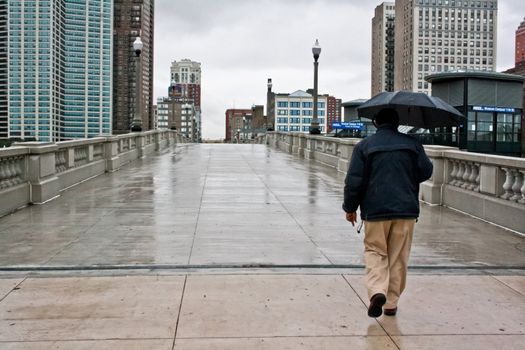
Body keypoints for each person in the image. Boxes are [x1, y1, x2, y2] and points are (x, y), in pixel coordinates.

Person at [342, 108, 433, 318]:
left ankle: (377, 291)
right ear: (397, 122)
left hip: (375, 210)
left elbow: (354, 182)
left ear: (376, 123)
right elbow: (425, 171)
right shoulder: (412, 144)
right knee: (398, 257)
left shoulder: (364, 146)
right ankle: (391, 303)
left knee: (375, 251)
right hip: (405, 210)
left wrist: (350, 208)